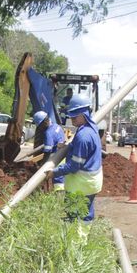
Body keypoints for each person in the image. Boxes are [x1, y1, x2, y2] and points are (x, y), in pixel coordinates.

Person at [47, 94, 103, 223]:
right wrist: (68, 146)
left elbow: (74, 165)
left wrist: (54, 172)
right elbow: (82, 149)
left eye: (75, 115)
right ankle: (82, 239)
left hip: (81, 185)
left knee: (73, 216)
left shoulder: (83, 136)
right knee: (86, 213)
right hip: (91, 182)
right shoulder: (90, 129)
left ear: (84, 114)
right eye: (71, 115)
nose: (71, 118)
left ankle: (74, 241)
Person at [32, 110, 66, 192]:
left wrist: (42, 166)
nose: (39, 128)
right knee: (62, 178)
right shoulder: (57, 126)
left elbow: (47, 152)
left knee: (58, 181)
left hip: (56, 159)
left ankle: (58, 200)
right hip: (63, 157)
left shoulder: (48, 133)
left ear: (44, 122)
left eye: (39, 125)